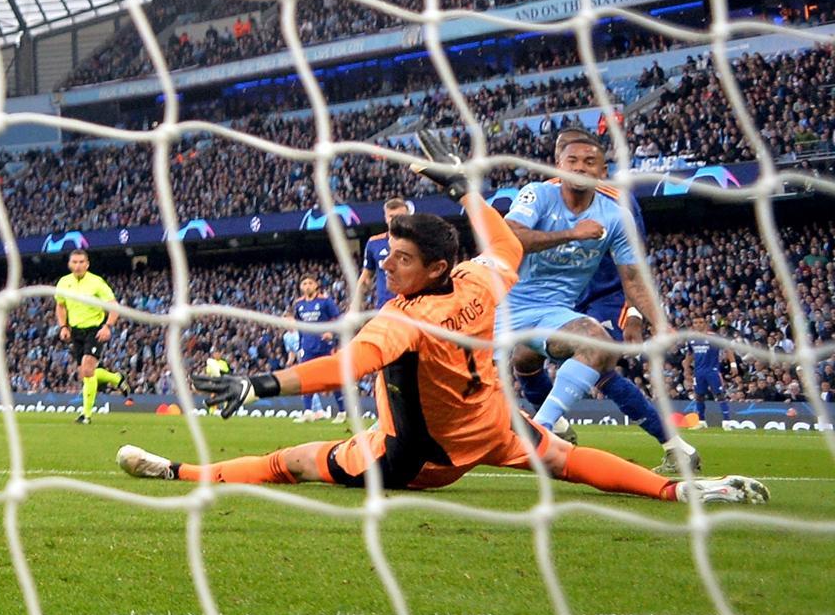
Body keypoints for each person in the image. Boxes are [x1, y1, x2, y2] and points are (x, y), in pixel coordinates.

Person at [116, 169, 767, 505]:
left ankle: (176, 469)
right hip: (488, 428)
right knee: (567, 461)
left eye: (399, 257)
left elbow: (340, 367)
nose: (387, 263)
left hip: (415, 460)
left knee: (294, 461)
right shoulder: (479, 280)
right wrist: (466, 190)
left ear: (431, 267)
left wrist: (261, 383)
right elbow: (507, 243)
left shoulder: (400, 318)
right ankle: (677, 490)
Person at [499, 127, 700, 474]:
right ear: (557, 162)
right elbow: (509, 236)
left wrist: (648, 317)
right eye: (569, 159)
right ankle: (557, 428)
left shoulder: (617, 207)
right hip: (508, 301)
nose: (578, 167)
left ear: (602, 168)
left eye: (588, 161)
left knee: (600, 355)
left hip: (598, 297)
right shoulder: (536, 194)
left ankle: (543, 432)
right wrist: (572, 234)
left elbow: (634, 274)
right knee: (523, 361)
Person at [54, 249, 131, 423]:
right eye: (74, 262)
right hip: (75, 331)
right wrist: (63, 326)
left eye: (81, 262)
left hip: (94, 330)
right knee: (85, 372)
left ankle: (86, 415)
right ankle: (115, 378)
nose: (78, 265)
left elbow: (113, 306)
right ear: (69, 264)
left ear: (87, 264)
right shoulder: (63, 283)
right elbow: (61, 306)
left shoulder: (96, 283)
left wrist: (107, 326)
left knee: (87, 369)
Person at [290, 274, 343, 423]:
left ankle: (342, 411)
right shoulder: (299, 305)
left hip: (325, 346)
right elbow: (300, 327)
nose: (307, 286)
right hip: (308, 347)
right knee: (306, 378)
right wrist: (300, 346)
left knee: (333, 380)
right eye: (304, 283)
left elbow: (338, 320)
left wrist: (331, 333)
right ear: (301, 287)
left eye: (310, 283)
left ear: (316, 285)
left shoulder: (325, 301)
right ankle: (307, 411)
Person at [357, 197, 412, 310]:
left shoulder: (419, 242)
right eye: (391, 217)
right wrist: (355, 304)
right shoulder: (374, 243)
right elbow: (366, 277)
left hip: (412, 307)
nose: (395, 220)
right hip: (385, 309)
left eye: (400, 217)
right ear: (386, 218)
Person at [683, 316, 734, 429]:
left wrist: (733, 364)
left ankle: (726, 422)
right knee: (699, 396)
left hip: (712, 371)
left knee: (719, 395)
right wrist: (686, 369)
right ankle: (701, 421)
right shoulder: (691, 339)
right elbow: (690, 354)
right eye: (695, 322)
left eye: (701, 322)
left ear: (705, 324)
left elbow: (728, 349)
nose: (698, 325)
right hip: (698, 372)